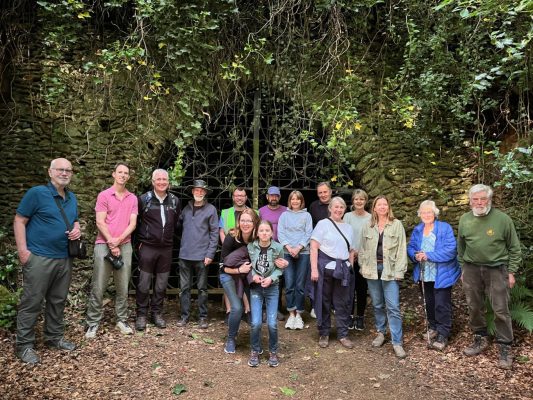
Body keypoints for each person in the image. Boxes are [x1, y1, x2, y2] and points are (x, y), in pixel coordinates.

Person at [13, 158, 80, 364]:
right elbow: (19, 220)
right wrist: (23, 251)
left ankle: (54, 337)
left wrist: (77, 228)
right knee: (32, 301)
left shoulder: (72, 197)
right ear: (50, 172)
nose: (65, 173)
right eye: (60, 169)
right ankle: (24, 346)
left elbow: (74, 219)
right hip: (40, 257)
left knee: (58, 301)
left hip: (64, 258)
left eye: (68, 170)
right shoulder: (36, 193)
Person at [458, 184, 521, 370]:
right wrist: (463, 268)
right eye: (475, 199)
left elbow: (514, 248)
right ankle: (480, 338)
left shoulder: (502, 219)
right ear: (470, 201)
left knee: (500, 309)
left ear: (489, 200)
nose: (479, 202)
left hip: (497, 269)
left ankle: (505, 347)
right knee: (474, 306)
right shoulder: (464, 219)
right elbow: (461, 247)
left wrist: (511, 271)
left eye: (483, 199)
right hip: (471, 269)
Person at [85, 163, 138, 338]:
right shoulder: (104, 195)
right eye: (120, 172)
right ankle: (93, 323)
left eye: (126, 173)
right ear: (114, 174)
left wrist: (118, 241)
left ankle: (121, 320)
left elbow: (133, 223)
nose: (123, 175)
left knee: (123, 285)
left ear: (128, 177)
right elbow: (100, 221)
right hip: (103, 244)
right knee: (98, 285)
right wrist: (111, 242)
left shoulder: (132, 198)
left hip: (125, 245)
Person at [407, 200, 460, 351]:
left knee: (441, 304)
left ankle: (443, 333)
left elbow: (451, 250)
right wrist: (415, 255)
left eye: (429, 212)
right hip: (424, 274)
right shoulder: (418, 230)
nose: (426, 215)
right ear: (420, 214)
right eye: (423, 212)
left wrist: (428, 255)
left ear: (435, 213)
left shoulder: (444, 228)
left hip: (441, 273)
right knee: (429, 302)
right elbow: (411, 247)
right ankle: (433, 326)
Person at [359, 195, 407, 358]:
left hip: (390, 270)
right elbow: (362, 248)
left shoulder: (396, 224)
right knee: (378, 304)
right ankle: (381, 333)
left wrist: (400, 271)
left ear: (388, 207)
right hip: (372, 270)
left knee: (393, 306)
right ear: (374, 208)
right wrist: (362, 266)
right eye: (379, 204)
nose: (382, 207)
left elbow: (401, 249)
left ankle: (397, 342)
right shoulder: (368, 226)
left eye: (384, 204)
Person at [135, 169, 181, 331]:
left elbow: (176, 224)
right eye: (158, 179)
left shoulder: (175, 200)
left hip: (166, 248)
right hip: (148, 246)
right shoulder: (143, 199)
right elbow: (135, 222)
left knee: (161, 284)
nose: (162, 182)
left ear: (169, 182)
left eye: (164, 179)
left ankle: (157, 313)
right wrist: (139, 243)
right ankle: (141, 314)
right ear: (153, 181)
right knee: (143, 283)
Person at [310, 197, 355, 349]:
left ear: (344, 209)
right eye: (336, 207)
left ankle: (343, 333)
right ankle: (324, 332)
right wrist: (314, 269)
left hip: (342, 270)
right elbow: (314, 247)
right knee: (324, 301)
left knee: (342, 302)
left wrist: (350, 267)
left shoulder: (348, 227)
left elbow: (351, 250)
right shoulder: (323, 224)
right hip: (325, 269)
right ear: (330, 208)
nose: (338, 210)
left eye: (341, 207)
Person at [177, 179, 218, 329]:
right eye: (196, 190)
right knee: (184, 288)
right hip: (185, 255)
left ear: (205, 192)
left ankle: (203, 317)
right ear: (192, 192)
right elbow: (178, 226)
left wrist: (210, 254)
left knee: (202, 289)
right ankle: (184, 316)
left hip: (202, 256)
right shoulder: (186, 209)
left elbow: (214, 233)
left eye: (202, 190)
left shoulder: (211, 209)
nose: (199, 192)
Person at [247, 220, 288, 367]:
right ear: (257, 233)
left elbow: (281, 267)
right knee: (256, 322)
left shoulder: (278, 247)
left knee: (272, 323)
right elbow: (249, 265)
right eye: (261, 231)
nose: (264, 233)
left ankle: (273, 351)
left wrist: (272, 278)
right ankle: (255, 350)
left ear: (272, 232)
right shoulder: (251, 246)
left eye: (267, 231)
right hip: (256, 289)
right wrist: (254, 276)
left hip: (272, 288)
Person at [220, 208, 259, 354]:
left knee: (256, 306)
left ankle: (256, 340)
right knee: (236, 308)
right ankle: (231, 338)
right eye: (242, 220)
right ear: (238, 222)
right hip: (229, 274)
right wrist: (238, 270)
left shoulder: (258, 238)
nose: (245, 223)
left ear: (255, 222)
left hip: (249, 276)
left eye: (249, 220)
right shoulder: (231, 237)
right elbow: (222, 267)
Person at [277, 190, 313, 330]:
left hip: (303, 253)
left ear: (301, 201)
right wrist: (289, 247)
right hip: (287, 253)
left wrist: (298, 248)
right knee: (290, 284)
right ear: (290, 201)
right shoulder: (284, 215)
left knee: (300, 285)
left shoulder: (307, 215)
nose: (295, 201)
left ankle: (299, 315)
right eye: (293, 199)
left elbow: (308, 233)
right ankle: (291, 314)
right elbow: (280, 232)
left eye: (298, 199)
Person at [219, 187, 252, 321]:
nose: (239, 198)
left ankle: (247, 310)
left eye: (242, 195)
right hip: (229, 249)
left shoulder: (253, 212)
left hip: (245, 250)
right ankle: (229, 310)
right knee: (229, 279)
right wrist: (228, 247)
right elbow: (222, 231)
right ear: (233, 197)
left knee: (243, 279)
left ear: (246, 197)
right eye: (237, 195)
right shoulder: (226, 212)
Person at [343, 189, 371, 331]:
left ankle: (360, 317)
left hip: (364, 258)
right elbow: (344, 235)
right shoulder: (347, 216)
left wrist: (361, 253)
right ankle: (348, 316)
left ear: (365, 201)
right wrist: (351, 252)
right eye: (356, 199)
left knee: (361, 289)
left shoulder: (371, 218)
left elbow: (371, 239)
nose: (359, 202)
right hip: (349, 257)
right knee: (348, 289)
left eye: (362, 199)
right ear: (353, 201)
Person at [259, 186, 287, 321]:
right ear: (267, 197)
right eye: (271, 195)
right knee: (264, 276)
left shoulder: (285, 211)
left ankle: (277, 308)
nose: (274, 198)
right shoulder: (261, 211)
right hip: (264, 248)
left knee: (278, 279)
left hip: (280, 249)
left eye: (276, 195)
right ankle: (264, 309)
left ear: (279, 197)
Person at [307, 182, 333, 318]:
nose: (323, 195)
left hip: (333, 247)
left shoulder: (336, 205)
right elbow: (311, 227)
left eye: (325, 192)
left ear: (330, 191)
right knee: (316, 276)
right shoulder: (313, 206)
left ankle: (331, 305)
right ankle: (314, 306)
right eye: (320, 192)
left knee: (332, 276)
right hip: (318, 246)